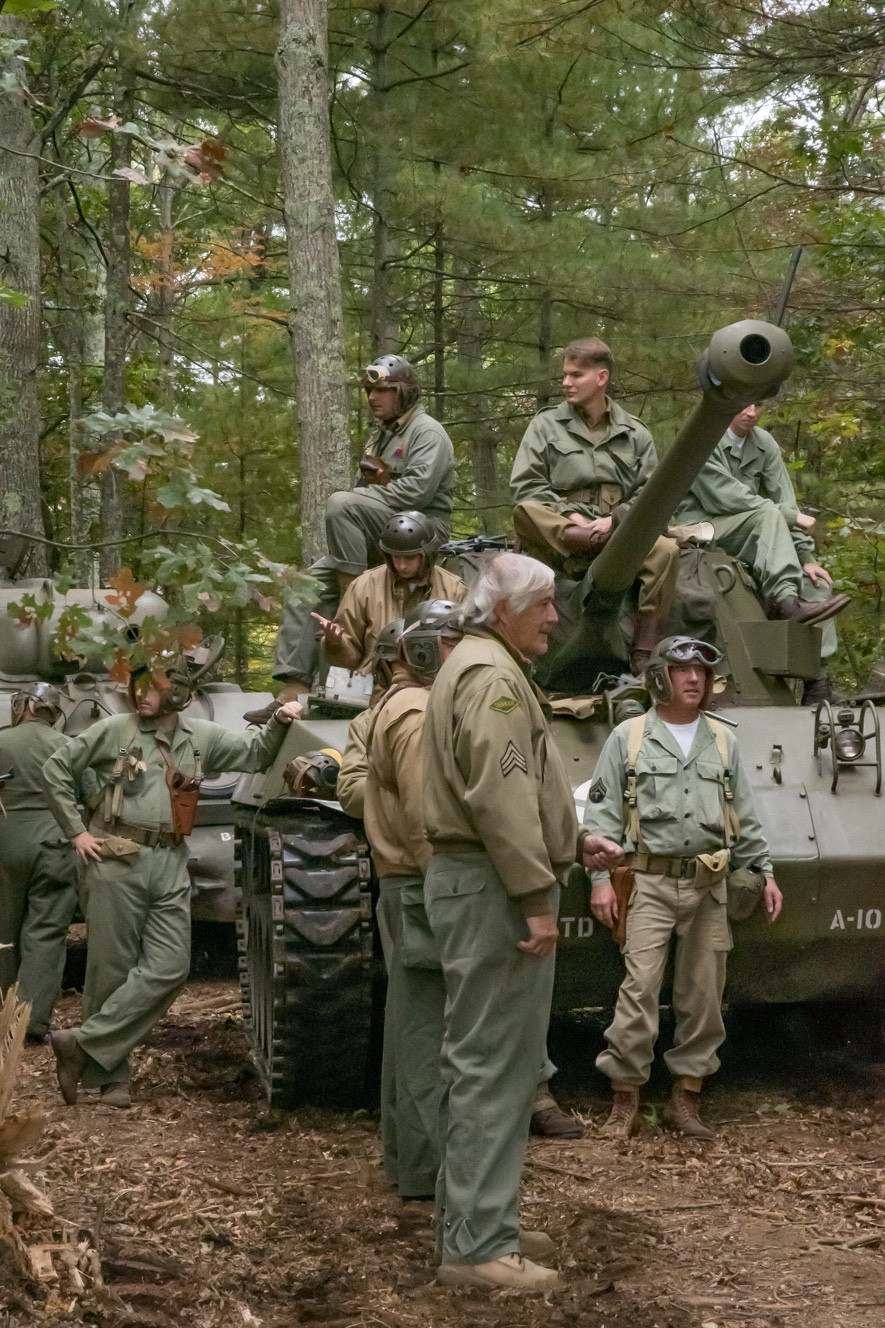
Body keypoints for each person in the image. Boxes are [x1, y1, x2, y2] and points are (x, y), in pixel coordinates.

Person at [422, 552, 623, 1292]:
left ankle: (480, 1220)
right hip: (491, 892)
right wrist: (537, 897)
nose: (554, 617)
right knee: (495, 1070)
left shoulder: (478, 666)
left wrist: (570, 839)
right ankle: (477, 1248)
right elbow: (497, 799)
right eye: (542, 604)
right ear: (503, 608)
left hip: (479, 880)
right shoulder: (494, 679)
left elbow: (514, 790)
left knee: (482, 1063)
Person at [40, 656, 302, 1108]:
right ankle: (109, 1080)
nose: (142, 694)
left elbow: (256, 753)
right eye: (138, 686)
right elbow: (55, 770)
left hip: (170, 861)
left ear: (178, 695)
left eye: (154, 688)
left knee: (170, 967)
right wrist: (77, 832)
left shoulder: (201, 738)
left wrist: (278, 719)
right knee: (110, 969)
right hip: (115, 857)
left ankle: (82, 1043)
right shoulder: (113, 731)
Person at [585, 636, 783, 1140]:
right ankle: (624, 1099)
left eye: (702, 671)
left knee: (703, 995)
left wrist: (765, 871)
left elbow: (743, 815)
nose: (695, 679)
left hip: (708, 883)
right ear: (660, 678)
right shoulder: (628, 739)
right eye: (681, 670)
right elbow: (602, 818)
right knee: (639, 991)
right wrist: (600, 880)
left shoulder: (723, 741)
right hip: (647, 881)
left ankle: (686, 1099)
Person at [246, 355, 455, 722]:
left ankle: (353, 602)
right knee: (306, 584)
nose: (374, 397)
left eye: (383, 390)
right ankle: (294, 687)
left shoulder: (427, 432)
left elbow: (417, 494)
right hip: (385, 531)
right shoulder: (383, 433)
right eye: (370, 390)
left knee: (341, 504)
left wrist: (364, 497)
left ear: (404, 392)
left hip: (423, 533)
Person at [365, 600, 463, 1200]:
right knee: (430, 1031)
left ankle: (410, 1162)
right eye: (450, 642)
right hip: (421, 883)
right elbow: (425, 818)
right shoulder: (419, 712)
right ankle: (429, 1170)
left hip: (404, 884)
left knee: (410, 1026)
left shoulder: (396, 705)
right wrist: (447, 891)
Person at [509, 337, 679, 675]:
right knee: (524, 511)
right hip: (564, 530)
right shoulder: (545, 426)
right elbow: (527, 486)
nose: (566, 383)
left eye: (576, 375)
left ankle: (645, 649)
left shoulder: (635, 433)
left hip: (619, 532)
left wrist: (615, 524)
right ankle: (583, 539)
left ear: (601, 378)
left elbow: (651, 493)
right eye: (565, 375)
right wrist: (571, 520)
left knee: (666, 551)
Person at [675, 403, 849, 701]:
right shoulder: (704, 436)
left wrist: (806, 558)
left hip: (752, 530)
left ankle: (817, 683)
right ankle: (786, 602)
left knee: (816, 585)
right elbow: (722, 497)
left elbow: (785, 498)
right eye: (744, 402)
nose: (752, 411)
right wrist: (789, 517)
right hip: (702, 528)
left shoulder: (762, 443)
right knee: (769, 515)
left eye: (759, 404)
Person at [0, 683, 81, 1042]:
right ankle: (30, 1024)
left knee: (4, 930)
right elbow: (93, 795)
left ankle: (3, 1014)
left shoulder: (2, 741)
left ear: (24, 707)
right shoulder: (69, 745)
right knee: (45, 932)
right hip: (56, 843)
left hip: (6, 841)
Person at [314, 510, 466, 688]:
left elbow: (465, 652)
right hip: (374, 693)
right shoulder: (364, 586)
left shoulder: (454, 589)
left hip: (435, 692)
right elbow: (350, 660)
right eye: (395, 557)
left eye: (409, 557)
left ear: (427, 554)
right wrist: (336, 643)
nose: (401, 565)